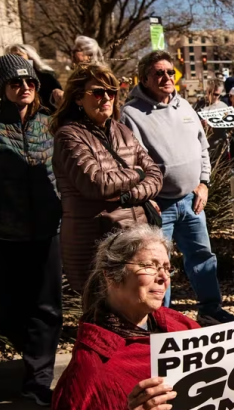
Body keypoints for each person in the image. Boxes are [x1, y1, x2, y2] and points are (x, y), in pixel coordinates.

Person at [51, 225, 234, 410]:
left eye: (166, 268)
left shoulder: (174, 322)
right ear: (111, 276)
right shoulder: (89, 370)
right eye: (150, 266)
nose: (163, 278)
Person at [121, 50, 234, 326]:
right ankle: (162, 320)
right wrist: (147, 198)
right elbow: (131, 164)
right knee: (159, 266)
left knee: (202, 257)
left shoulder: (184, 105)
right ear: (145, 78)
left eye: (169, 72)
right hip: (160, 206)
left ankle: (210, 309)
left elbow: (203, 149)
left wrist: (204, 183)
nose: (166, 77)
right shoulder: (132, 114)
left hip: (192, 200)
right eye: (158, 73)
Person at [0, 54, 63, 407]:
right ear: (2, 88)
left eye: (30, 82)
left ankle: (37, 387)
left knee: (47, 310)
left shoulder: (49, 124)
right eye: (16, 83)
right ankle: (33, 359)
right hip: (2, 235)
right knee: (8, 312)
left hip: (47, 233)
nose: (25, 88)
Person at [50, 63, 163, 293]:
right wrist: (137, 174)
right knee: (103, 315)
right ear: (79, 99)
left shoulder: (123, 131)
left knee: (136, 309)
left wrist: (129, 195)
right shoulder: (69, 136)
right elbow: (97, 184)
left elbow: (156, 175)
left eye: (111, 92)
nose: (106, 98)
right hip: (95, 243)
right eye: (98, 92)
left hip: (134, 239)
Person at [5, 44, 63, 113]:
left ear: (30, 57)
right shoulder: (6, 80)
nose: (15, 59)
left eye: (19, 55)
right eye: (12, 57)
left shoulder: (47, 78)